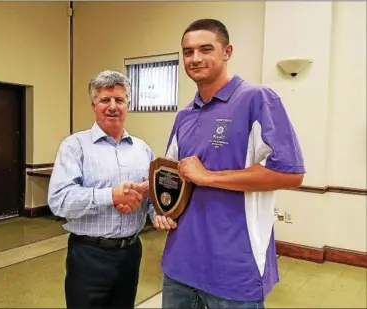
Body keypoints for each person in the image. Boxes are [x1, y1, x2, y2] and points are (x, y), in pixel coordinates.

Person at [153, 19, 306, 309]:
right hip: (179, 265)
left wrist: (208, 177)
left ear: (227, 52)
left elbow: (290, 174)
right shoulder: (185, 115)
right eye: (187, 52)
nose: (195, 58)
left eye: (205, 49)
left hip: (234, 271)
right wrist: (160, 209)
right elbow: (172, 175)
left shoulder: (257, 99)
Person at [48, 70, 153, 309]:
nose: (113, 106)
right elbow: (59, 200)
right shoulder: (75, 146)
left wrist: (161, 213)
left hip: (131, 253)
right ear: (94, 104)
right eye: (106, 100)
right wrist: (111, 196)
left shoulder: (143, 150)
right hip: (89, 256)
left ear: (128, 104)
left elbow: (151, 198)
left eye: (120, 100)